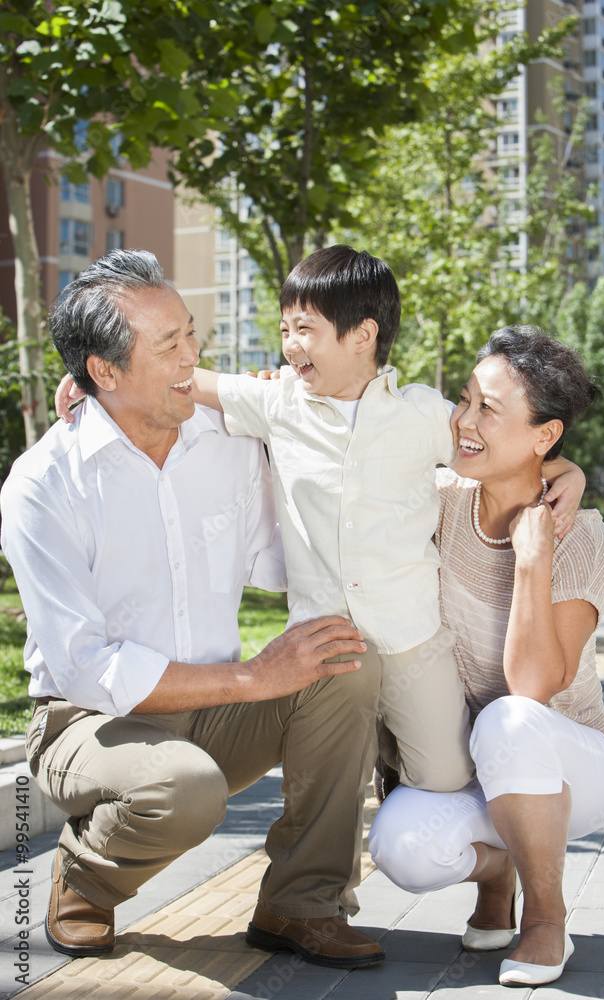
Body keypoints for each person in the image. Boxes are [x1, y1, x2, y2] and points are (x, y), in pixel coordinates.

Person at [1, 249, 386, 970]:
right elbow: (85, 669)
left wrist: (287, 434)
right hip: (87, 723)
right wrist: (252, 680)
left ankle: (301, 903)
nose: (194, 357)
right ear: (103, 372)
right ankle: (85, 877)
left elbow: (284, 565)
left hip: (212, 714)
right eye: (169, 345)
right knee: (183, 788)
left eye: (191, 334)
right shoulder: (44, 484)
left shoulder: (229, 442)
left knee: (344, 661)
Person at [163, 246, 584, 795]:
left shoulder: (422, 412)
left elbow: (497, 447)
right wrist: (93, 384)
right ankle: (360, 764)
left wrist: (568, 468)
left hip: (412, 635)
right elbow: (185, 383)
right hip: (322, 641)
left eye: (305, 329)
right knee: (324, 784)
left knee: (446, 776)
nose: (290, 344)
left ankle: (391, 749)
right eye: (285, 328)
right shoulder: (276, 402)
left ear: (362, 336)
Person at [368, 326, 604, 988]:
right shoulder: (438, 500)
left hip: (574, 762)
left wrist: (532, 557)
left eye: (487, 408)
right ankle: (498, 873)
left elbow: (533, 685)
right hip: (475, 767)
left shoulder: (580, 539)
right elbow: (351, 477)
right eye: (464, 399)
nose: (462, 419)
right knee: (400, 849)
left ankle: (544, 920)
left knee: (509, 720)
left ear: (543, 436)